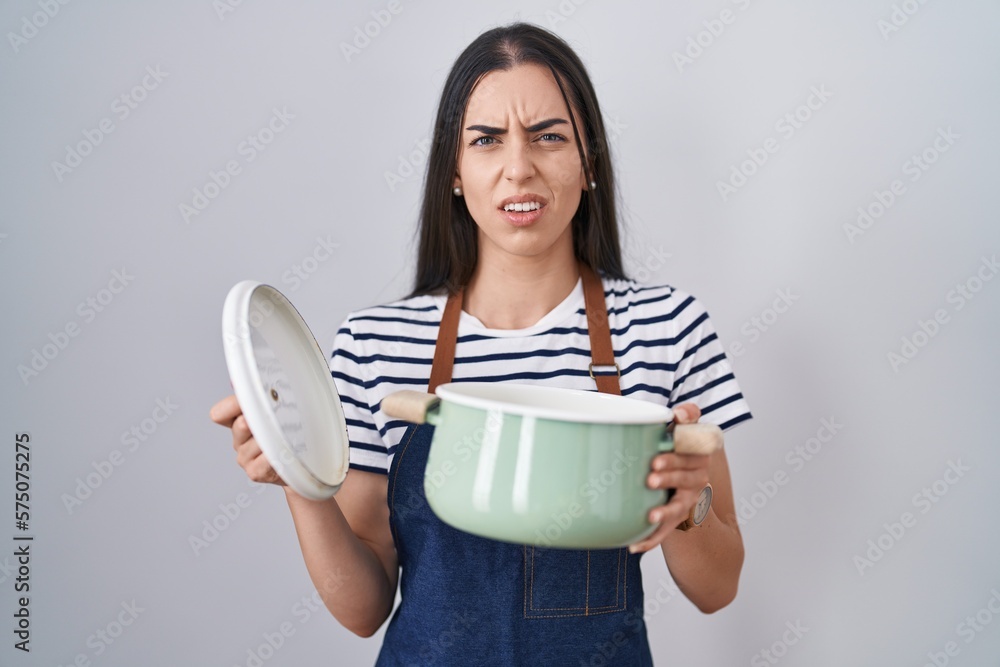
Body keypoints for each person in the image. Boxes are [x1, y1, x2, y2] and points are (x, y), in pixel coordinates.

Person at [210, 22, 752, 665]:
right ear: (456, 173)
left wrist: (689, 508)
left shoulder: (668, 328)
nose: (518, 169)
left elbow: (717, 590)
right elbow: (361, 609)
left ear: (591, 164)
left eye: (549, 137)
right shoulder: (374, 344)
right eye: (487, 141)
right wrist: (296, 475)